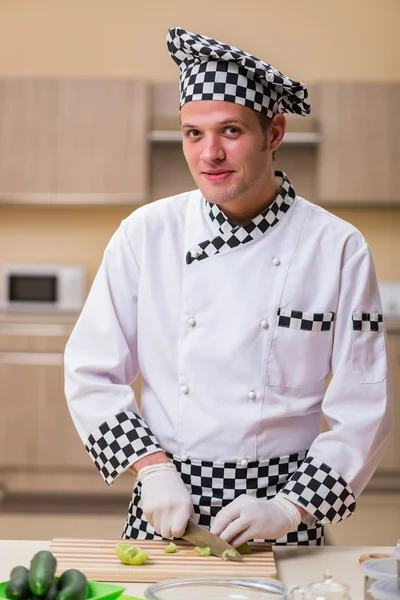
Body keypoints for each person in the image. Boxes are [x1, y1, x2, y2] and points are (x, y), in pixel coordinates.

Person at [64, 26, 393, 547]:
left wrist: (292, 506)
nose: (209, 153)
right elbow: (90, 371)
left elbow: (365, 406)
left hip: (284, 507)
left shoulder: (338, 248)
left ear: (275, 133)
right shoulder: (146, 234)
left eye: (231, 131)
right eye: (194, 134)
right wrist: (151, 470)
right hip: (167, 504)